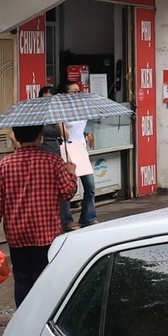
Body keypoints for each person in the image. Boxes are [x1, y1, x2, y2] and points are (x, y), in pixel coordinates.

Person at [0, 123, 83, 305]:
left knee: (22, 280)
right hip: (46, 236)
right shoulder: (53, 162)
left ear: (17, 138)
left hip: (17, 235)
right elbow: (67, 192)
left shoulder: (5, 165)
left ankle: (23, 319)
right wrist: (72, 173)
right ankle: (41, 320)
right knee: (44, 279)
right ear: (40, 136)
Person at [59, 81, 98, 230]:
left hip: (80, 148)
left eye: (78, 91)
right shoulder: (60, 110)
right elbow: (65, 132)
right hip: (66, 149)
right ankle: (67, 220)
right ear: (64, 94)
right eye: (73, 92)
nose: (77, 94)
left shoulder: (82, 107)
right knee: (67, 187)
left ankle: (88, 217)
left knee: (90, 186)